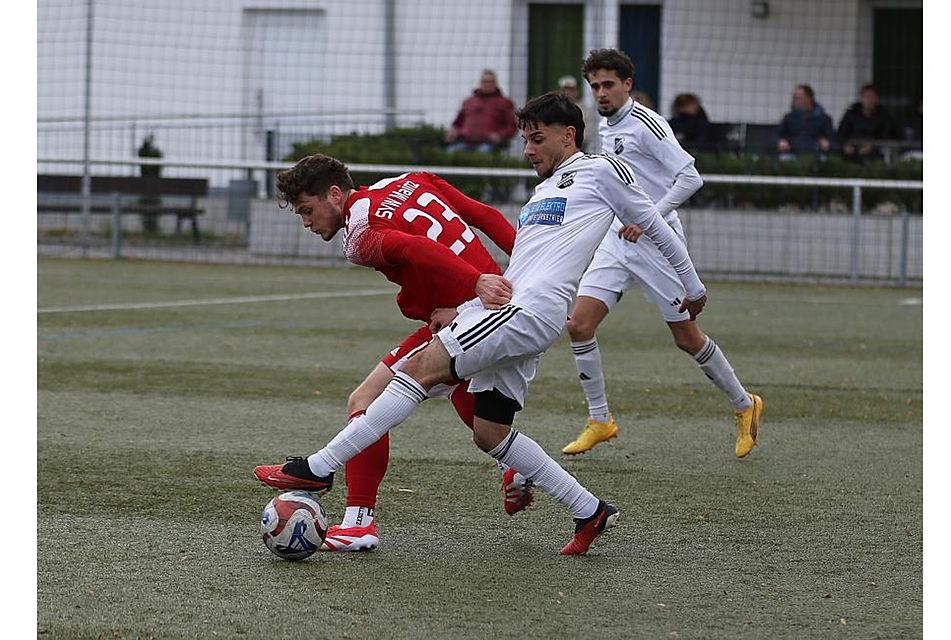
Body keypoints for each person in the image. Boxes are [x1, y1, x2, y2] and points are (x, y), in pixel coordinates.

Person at [255, 92, 709, 555]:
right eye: (525, 139)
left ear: (568, 134)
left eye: (536, 139)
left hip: (522, 314)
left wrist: (691, 288)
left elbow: (654, 222)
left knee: (411, 375)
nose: (527, 150)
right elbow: (513, 247)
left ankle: (318, 467)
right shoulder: (544, 191)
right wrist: (470, 302)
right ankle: (590, 511)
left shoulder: (602, 170)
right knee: (490, 433)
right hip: (506, 310)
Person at [255, 157, 530, 551]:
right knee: (457, 388)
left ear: (335, 194)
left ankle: (357, 523)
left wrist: (476, 285)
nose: (306, 223)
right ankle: (515, 467)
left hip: (471, 317)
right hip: (478, 309)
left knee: (364, 400)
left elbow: (413, 246)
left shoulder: (359, 236)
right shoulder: (413, 180)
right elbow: (483, 215)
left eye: (306, 211)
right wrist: (524, 276)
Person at [563, 48, 762, 459]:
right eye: (595, 86)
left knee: (686, 337)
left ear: (627, 84)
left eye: (608, 85)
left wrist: (650, 216)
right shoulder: (605, 123)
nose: (601, 92)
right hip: (618, 241)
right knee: (579, 325)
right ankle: (600, 420)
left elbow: (690, 176)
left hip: (657, 244)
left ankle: (745, 404)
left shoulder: (648, 124)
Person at [445, 69, 517, 154]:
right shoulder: (468, 102)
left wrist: (499, 135)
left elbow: (512, 126)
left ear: (495, 84)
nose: (487, 84)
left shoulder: (504, 103)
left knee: (483, 152)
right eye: (484, 82)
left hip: (488, 144)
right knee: (451, 152)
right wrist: (453, 131)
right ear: (480, 83)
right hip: (465, 141)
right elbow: (457, 124)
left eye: (490, 82)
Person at [837, 83, 902, 163]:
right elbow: (841, 134)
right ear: (861, 98)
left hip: (874, 152)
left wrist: (873, 146)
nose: (869, 100)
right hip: (852, 150)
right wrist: (846, 145)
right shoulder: (851, 113)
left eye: (872, 97)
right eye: (866, 97)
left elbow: (886, 136)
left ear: (876, 99)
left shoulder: (883, 115)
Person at [776, 84, 835, 158]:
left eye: (798, 98)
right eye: (794, 98)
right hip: (792, 153)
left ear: (808, 98)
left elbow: (832, 140)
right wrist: (780, 141)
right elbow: (777, 135)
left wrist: (827, 143)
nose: (795, 101)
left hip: (816, 154)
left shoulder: (824, 119)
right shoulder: (789, 117)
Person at [558, 74, 599, 153]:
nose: (567, 92)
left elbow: (587, 132)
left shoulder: (585, 110)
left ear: (576, 91)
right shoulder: (554, 109)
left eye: (570, 90)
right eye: (564, 89)